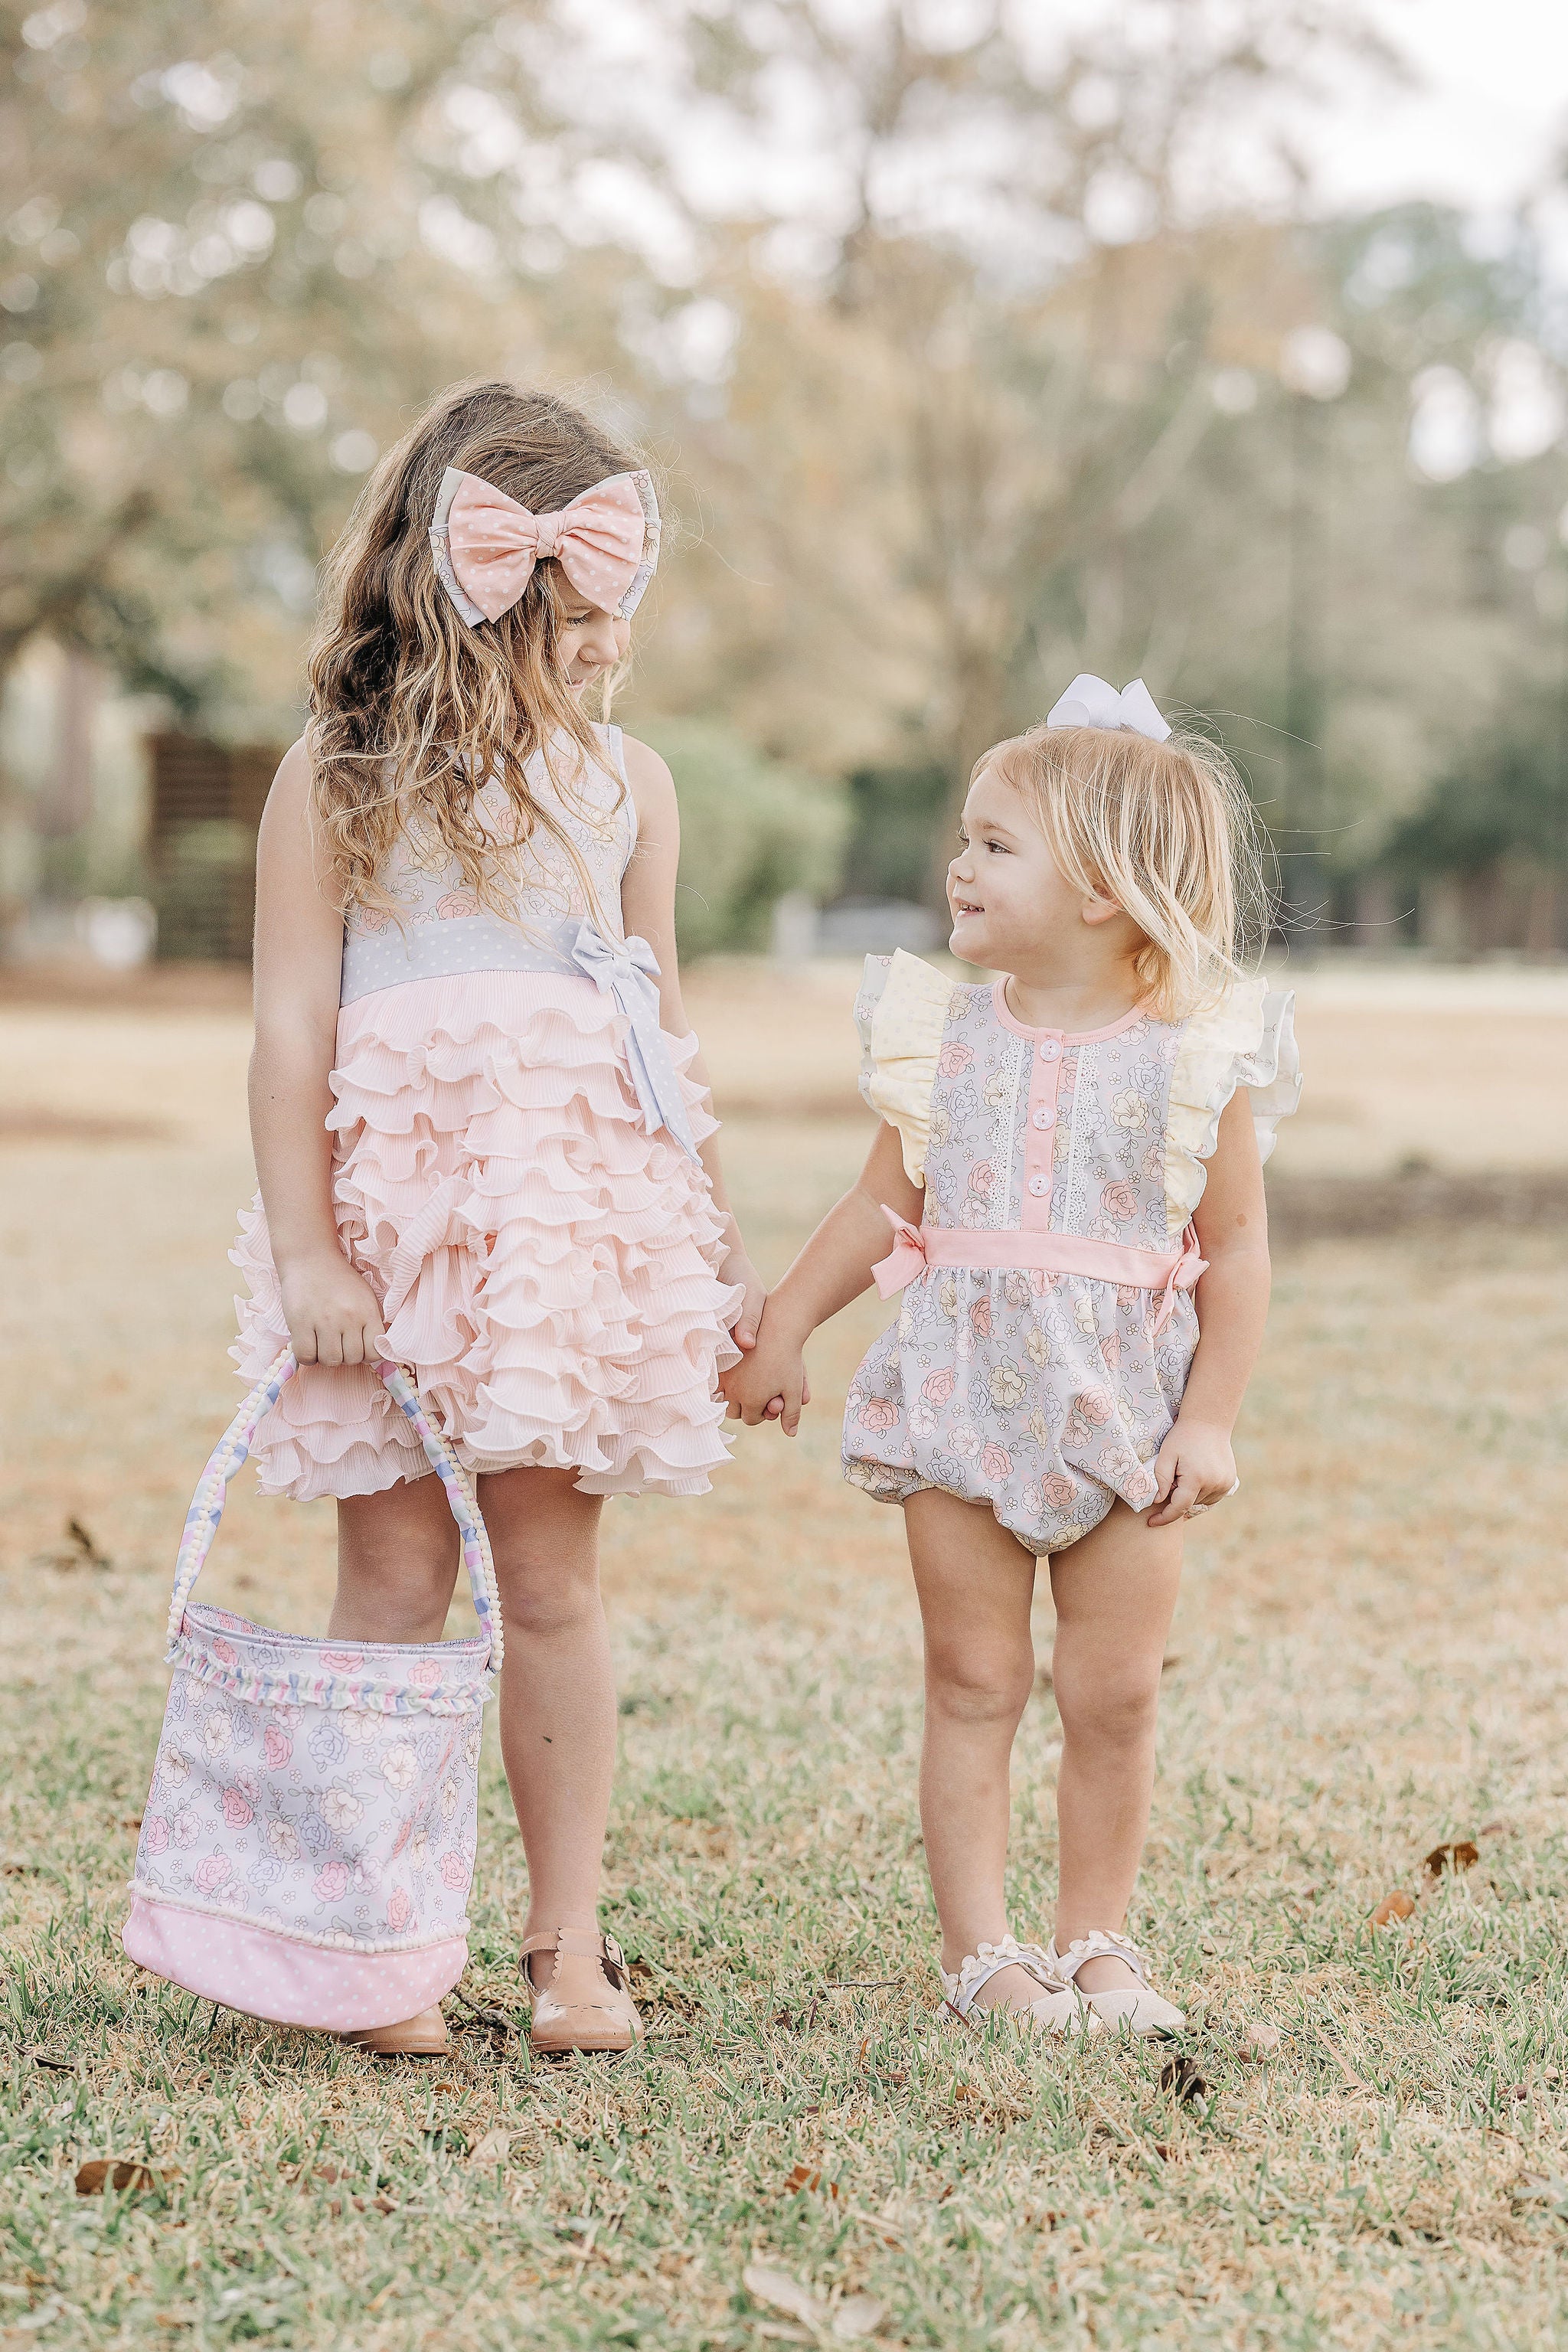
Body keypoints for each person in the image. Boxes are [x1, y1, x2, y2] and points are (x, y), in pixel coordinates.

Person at [234, 381, 763, 2057]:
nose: (618, 629)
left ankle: (565, 1948)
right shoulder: (339, 775)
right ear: (505, 583)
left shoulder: (629, 787)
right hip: (390, 1224)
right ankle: (375, 1944)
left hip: (565, 1222)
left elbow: (657, 1027)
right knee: (390, 1571)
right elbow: (287, 1032)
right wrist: (312, 1250)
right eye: (600, 595)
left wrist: (713, 1246)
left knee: (549, 1578)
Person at [724, 677, 1299, 2036]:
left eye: (994, 843)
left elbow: (1241, 1253)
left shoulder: (1191, 1060)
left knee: (1111, 1691)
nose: (956, 866)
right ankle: (984, 1958)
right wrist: (790, 1325)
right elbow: (883, 1207)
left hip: (1126, 1416)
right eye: (965, 839)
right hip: (958, 1411)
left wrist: (1209, 1420)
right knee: (973, 1680)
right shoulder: (946, 1039)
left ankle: (1097, 1940)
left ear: (1101, 887)